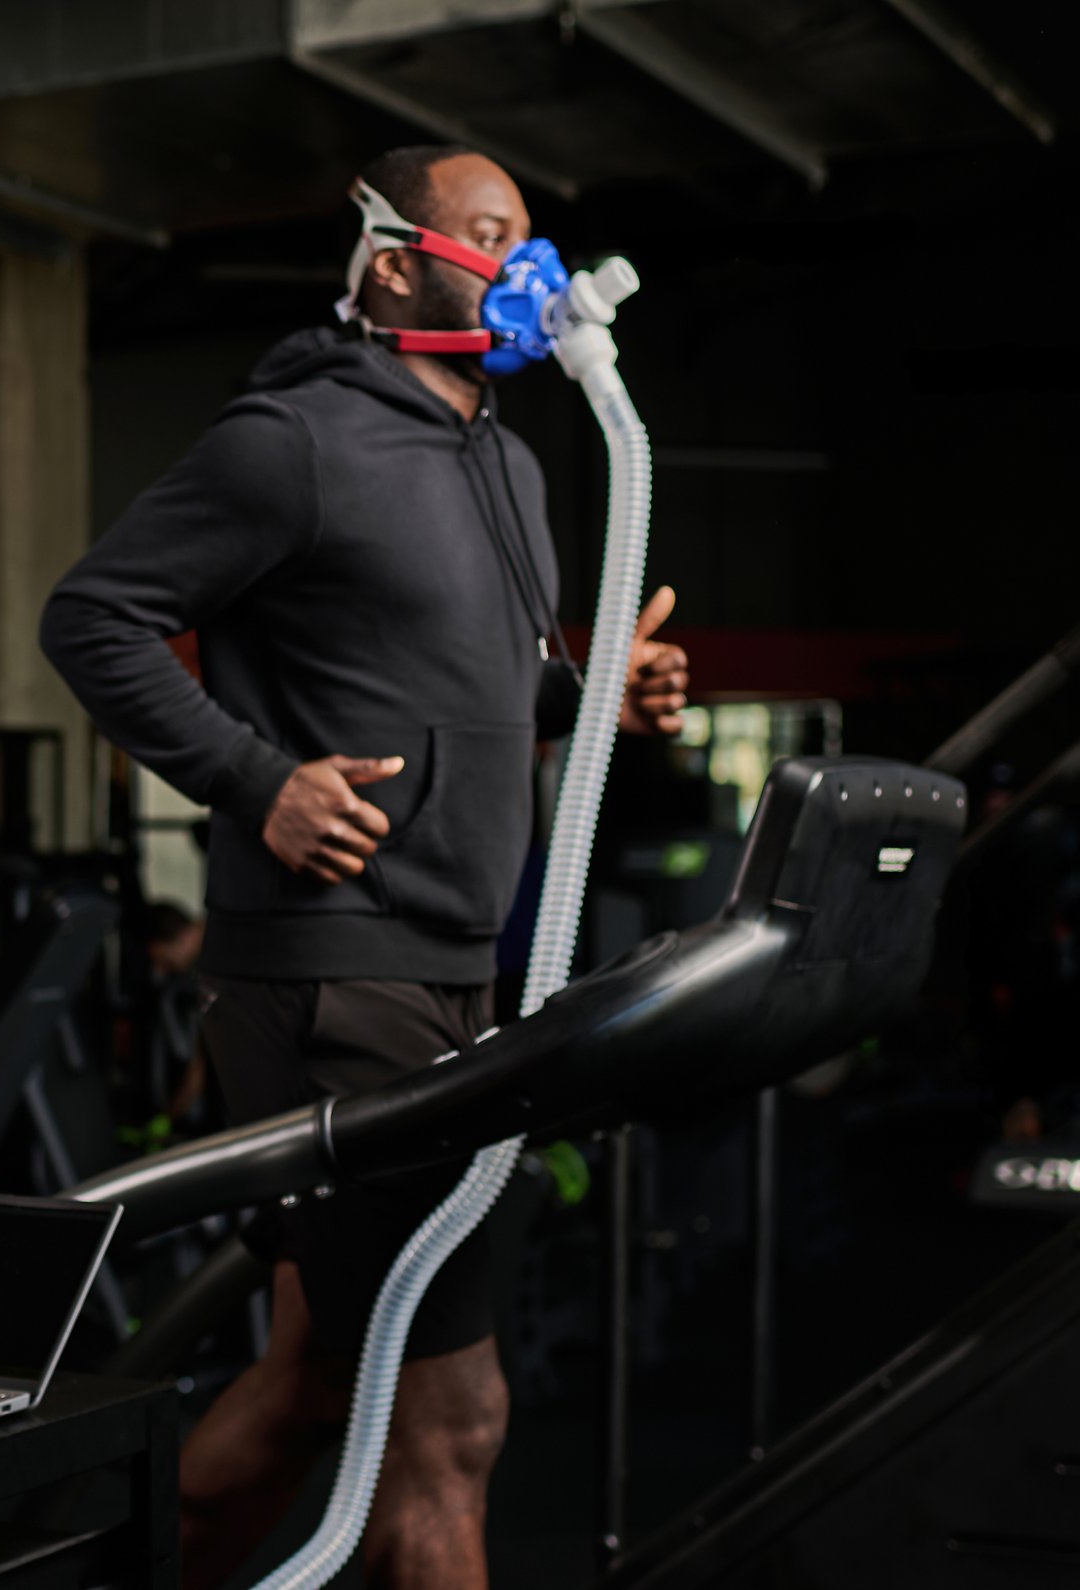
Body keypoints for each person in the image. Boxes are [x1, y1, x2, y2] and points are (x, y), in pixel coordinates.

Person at [41, 145, 689, 1588]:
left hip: (461, 969)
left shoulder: (510, 459)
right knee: (455, 1423)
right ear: (396, 262)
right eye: (490, 234)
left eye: (531, 235)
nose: (529, 267)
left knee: (321, 1380)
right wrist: (255, 780)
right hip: (336, 974)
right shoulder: (296, 441)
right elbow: (92, 618)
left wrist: (597, 694)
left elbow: (471, 692)